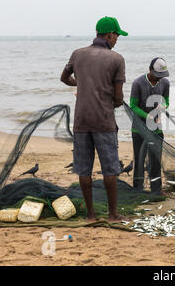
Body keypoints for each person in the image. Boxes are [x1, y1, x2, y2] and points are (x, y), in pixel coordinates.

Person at [60, 16, 128, 222]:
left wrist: (81, 86)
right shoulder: (116, 59)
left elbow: (64, 78)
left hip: (81, 121)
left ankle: (91, 215)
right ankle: (113, 214)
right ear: (109, 35)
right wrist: (114, 102)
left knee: (84, 169)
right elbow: (118, 97)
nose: (117, 39)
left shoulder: (78, 54)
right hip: (104, 121)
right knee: (110, 169)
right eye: (116, 35)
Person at [130, 58, 170, 195]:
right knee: (139, 159)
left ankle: (156, 189)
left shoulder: (165, 83)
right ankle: (138, 189)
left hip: (156, 128)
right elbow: (133, 106)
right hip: (138, 129)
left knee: (156, 160)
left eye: (161, 76)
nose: (159, 79)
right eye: (157, 75)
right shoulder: (137, 83)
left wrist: (163, 106)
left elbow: (167, 100)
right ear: (150, 70)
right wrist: (147, 116)